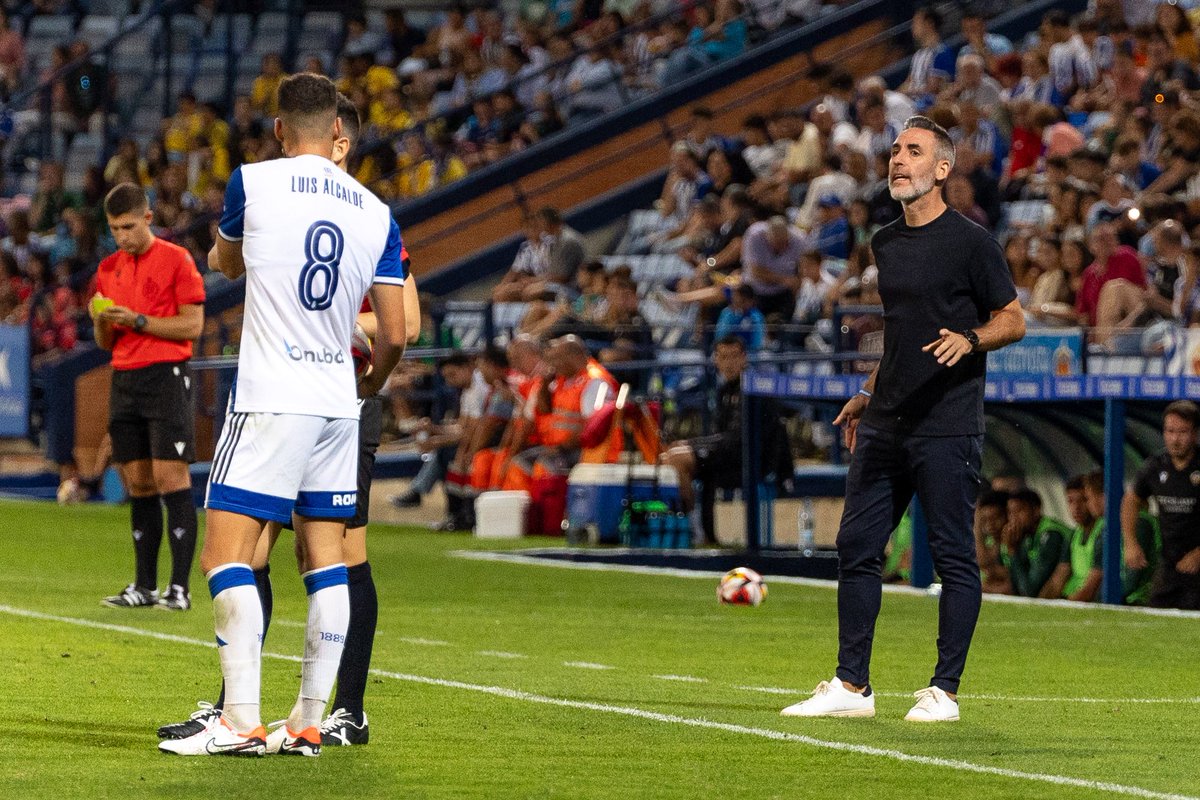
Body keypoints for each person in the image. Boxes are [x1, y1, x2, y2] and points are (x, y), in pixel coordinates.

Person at [158, 93, 420, 748]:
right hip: (339, 396)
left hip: (284, 392)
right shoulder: (372, 214)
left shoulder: (263, 187)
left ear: (286, 129)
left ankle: (272, 717)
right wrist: (367, 373)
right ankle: (290, 718)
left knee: (242, 554)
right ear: (335, 135)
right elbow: (397, 332)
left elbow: (228, 265)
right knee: (305, 557)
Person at [781, 116, 1024, 722]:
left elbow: (1014, 319)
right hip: (885, 420)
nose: (897, 159)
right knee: (856, 546)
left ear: (941, 169)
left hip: (947, 423)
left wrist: (971, 339)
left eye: (912, 151)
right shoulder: (885, 242)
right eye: (894, 150)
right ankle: (852, 687)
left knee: (952, 556)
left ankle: (945, 691)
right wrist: (868, 389)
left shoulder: (972, 243)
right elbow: (900, 334)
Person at [91, 183, 205, 612]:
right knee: (137, 481)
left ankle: (179, 589)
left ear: (148, 218)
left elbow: (192, 326)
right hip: (124, 378)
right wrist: (101, 320)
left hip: (166, 376)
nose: (122, 236)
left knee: (170, 477)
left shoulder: (177, 260)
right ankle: (143, 586)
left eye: (128, 227)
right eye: (114, 229)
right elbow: (106, 342)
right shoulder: (107, 269)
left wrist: (138, 320)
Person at [661, 335, 789, 544]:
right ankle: (685, 529)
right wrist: (692, 444)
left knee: (677, 458)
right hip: (727, 455)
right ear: (716, 360)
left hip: (750, 460)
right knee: (668, 456)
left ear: (744, 358)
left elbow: (738, 438)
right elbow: (720, 435)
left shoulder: (756, 389)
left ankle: (693, 530)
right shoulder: (723, 391)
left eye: (734, 356)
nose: (729, 363)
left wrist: (691, 445)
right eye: (723, 357)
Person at [1123, 400, 1200, 610]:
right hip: (1169, 564)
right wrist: (1130, 542)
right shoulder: (1155, 466)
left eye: (1182, 432)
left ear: (1195, 434)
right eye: (1170, 431)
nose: (1175, 439)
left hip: (1197, 564)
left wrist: (1198, 554)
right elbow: (1131, 500)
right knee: (1156, 616)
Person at [996, 489, 1072, 597]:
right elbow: (1013, 583)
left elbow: (1029, 591)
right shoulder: (1026, 536)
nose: (1013, 518)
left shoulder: (1051, 535)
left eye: (1019, 510)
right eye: (1010, 512)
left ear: (1036, 510)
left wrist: (1012, 551)